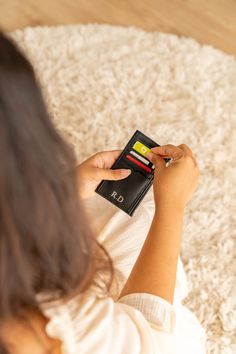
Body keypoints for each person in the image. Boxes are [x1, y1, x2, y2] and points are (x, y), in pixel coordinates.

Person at [0, 31, 206, 354]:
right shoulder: (50, 323)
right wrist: (172, 207)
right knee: (145, 217)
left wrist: (63, 195)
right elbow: (155, 343)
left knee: (110, 208)